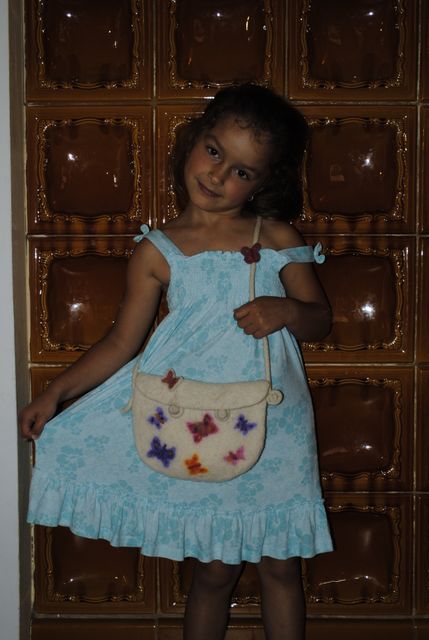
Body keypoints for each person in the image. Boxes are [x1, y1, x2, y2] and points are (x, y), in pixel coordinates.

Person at [19, 83, 333, 640]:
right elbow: (122, 343)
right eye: (214, 152)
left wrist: (287, 310)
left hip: (276, 422)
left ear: (263, 183)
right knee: (213, 570)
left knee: (282, 566)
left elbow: (319, 320)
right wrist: (56, 393)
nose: (218, 175)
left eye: (242, 171)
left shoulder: (277, 237)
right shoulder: (158, 249)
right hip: (198, 421)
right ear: (192, 142)